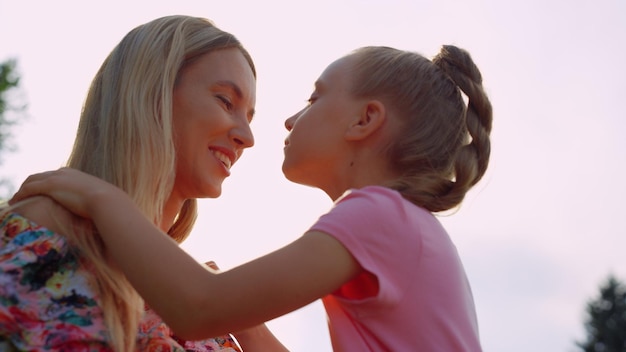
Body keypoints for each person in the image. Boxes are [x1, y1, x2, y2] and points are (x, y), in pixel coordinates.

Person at [11, 44, 493, 351]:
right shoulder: (402, 229)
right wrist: (249, 327)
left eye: (314, 97)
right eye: (226, 102)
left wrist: (100, 197)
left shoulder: (379, 216)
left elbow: (198, 307)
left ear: (364, 121)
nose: (286, 123)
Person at [0, 15, 287, 352]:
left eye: (249, 117)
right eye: (225, 101)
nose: (247, 137)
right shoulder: (44, 230)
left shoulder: (203, 303)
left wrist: (243, 318)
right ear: (153, 94)